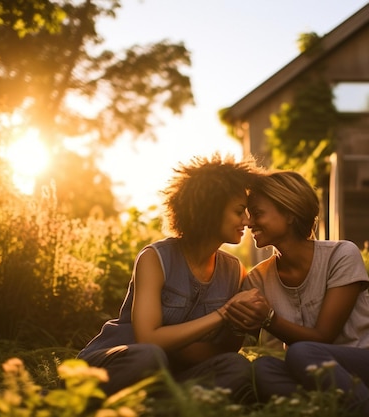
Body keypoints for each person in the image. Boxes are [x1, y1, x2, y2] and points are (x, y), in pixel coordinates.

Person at [225, 170, 369, 416]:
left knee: (302, 351)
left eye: (258, 213)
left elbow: (323, 337)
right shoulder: (257, 279)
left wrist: (268, 318)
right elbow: (237, 340)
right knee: (262, 369)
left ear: (290, 214)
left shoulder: (341, 255)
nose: (249, 222)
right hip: (318, 375)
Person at [77, 153, 260, 403]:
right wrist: (222, 314)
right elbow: (148, 339)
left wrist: (245, 318)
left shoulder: (234, 270)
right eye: (240, 211)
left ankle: (156, 407)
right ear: (211, 210)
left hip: (173, 372)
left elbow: (223, 350)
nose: (247, 221)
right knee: (149, 356)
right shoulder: (155, 258)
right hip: (121, 364)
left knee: (235, 365)